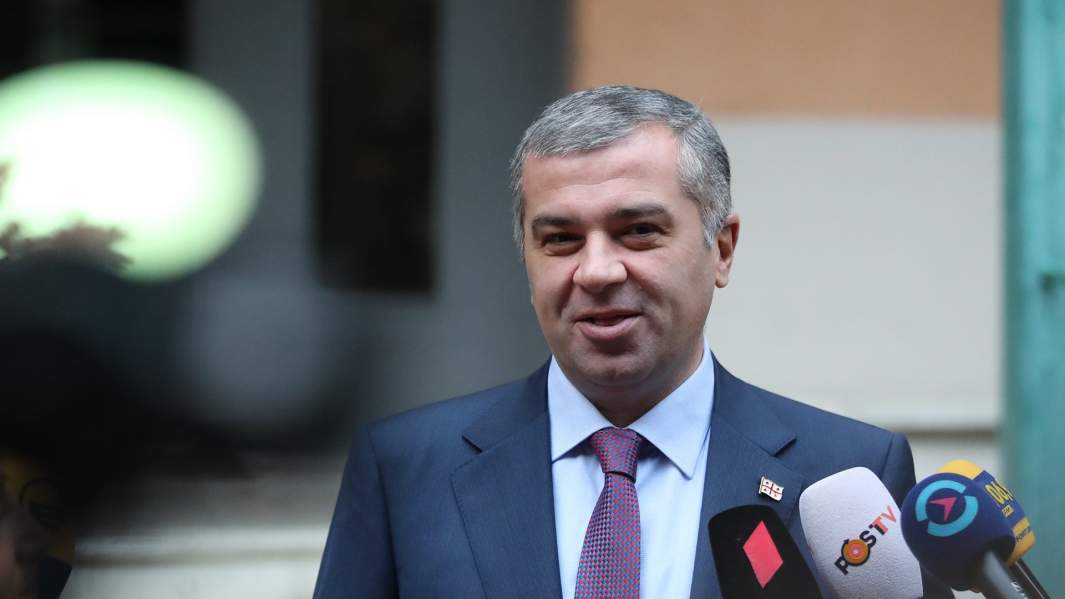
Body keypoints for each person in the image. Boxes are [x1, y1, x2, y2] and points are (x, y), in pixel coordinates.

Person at [313, 85, 951, 598]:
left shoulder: (846, 477)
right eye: (560, 240)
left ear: (721, 249)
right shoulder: (406, 468)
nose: (595, 271)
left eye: (639, 231)